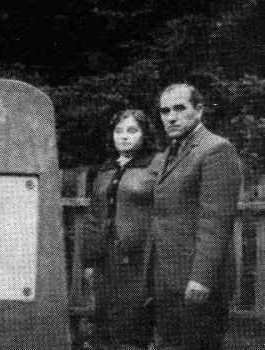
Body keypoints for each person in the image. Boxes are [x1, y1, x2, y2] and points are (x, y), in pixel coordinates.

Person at [152, 83, 242, 350]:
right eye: (165, 111)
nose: (171, 117)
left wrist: (201, 278)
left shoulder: (216, 150)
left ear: (199, 110)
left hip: (197, 281)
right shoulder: (170, 152)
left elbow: (215, 223)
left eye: (180, 108)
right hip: (168, 278)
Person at [84, 109, 162, 350]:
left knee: (132, 321)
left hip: (139, 258)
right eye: (118, 131)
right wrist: (88, 259)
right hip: (104, 257)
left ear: (145, 134)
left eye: (132, 131)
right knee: (104, 319)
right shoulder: (106, 169)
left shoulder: (158, 164)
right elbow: (94, 216)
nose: (124, 137)